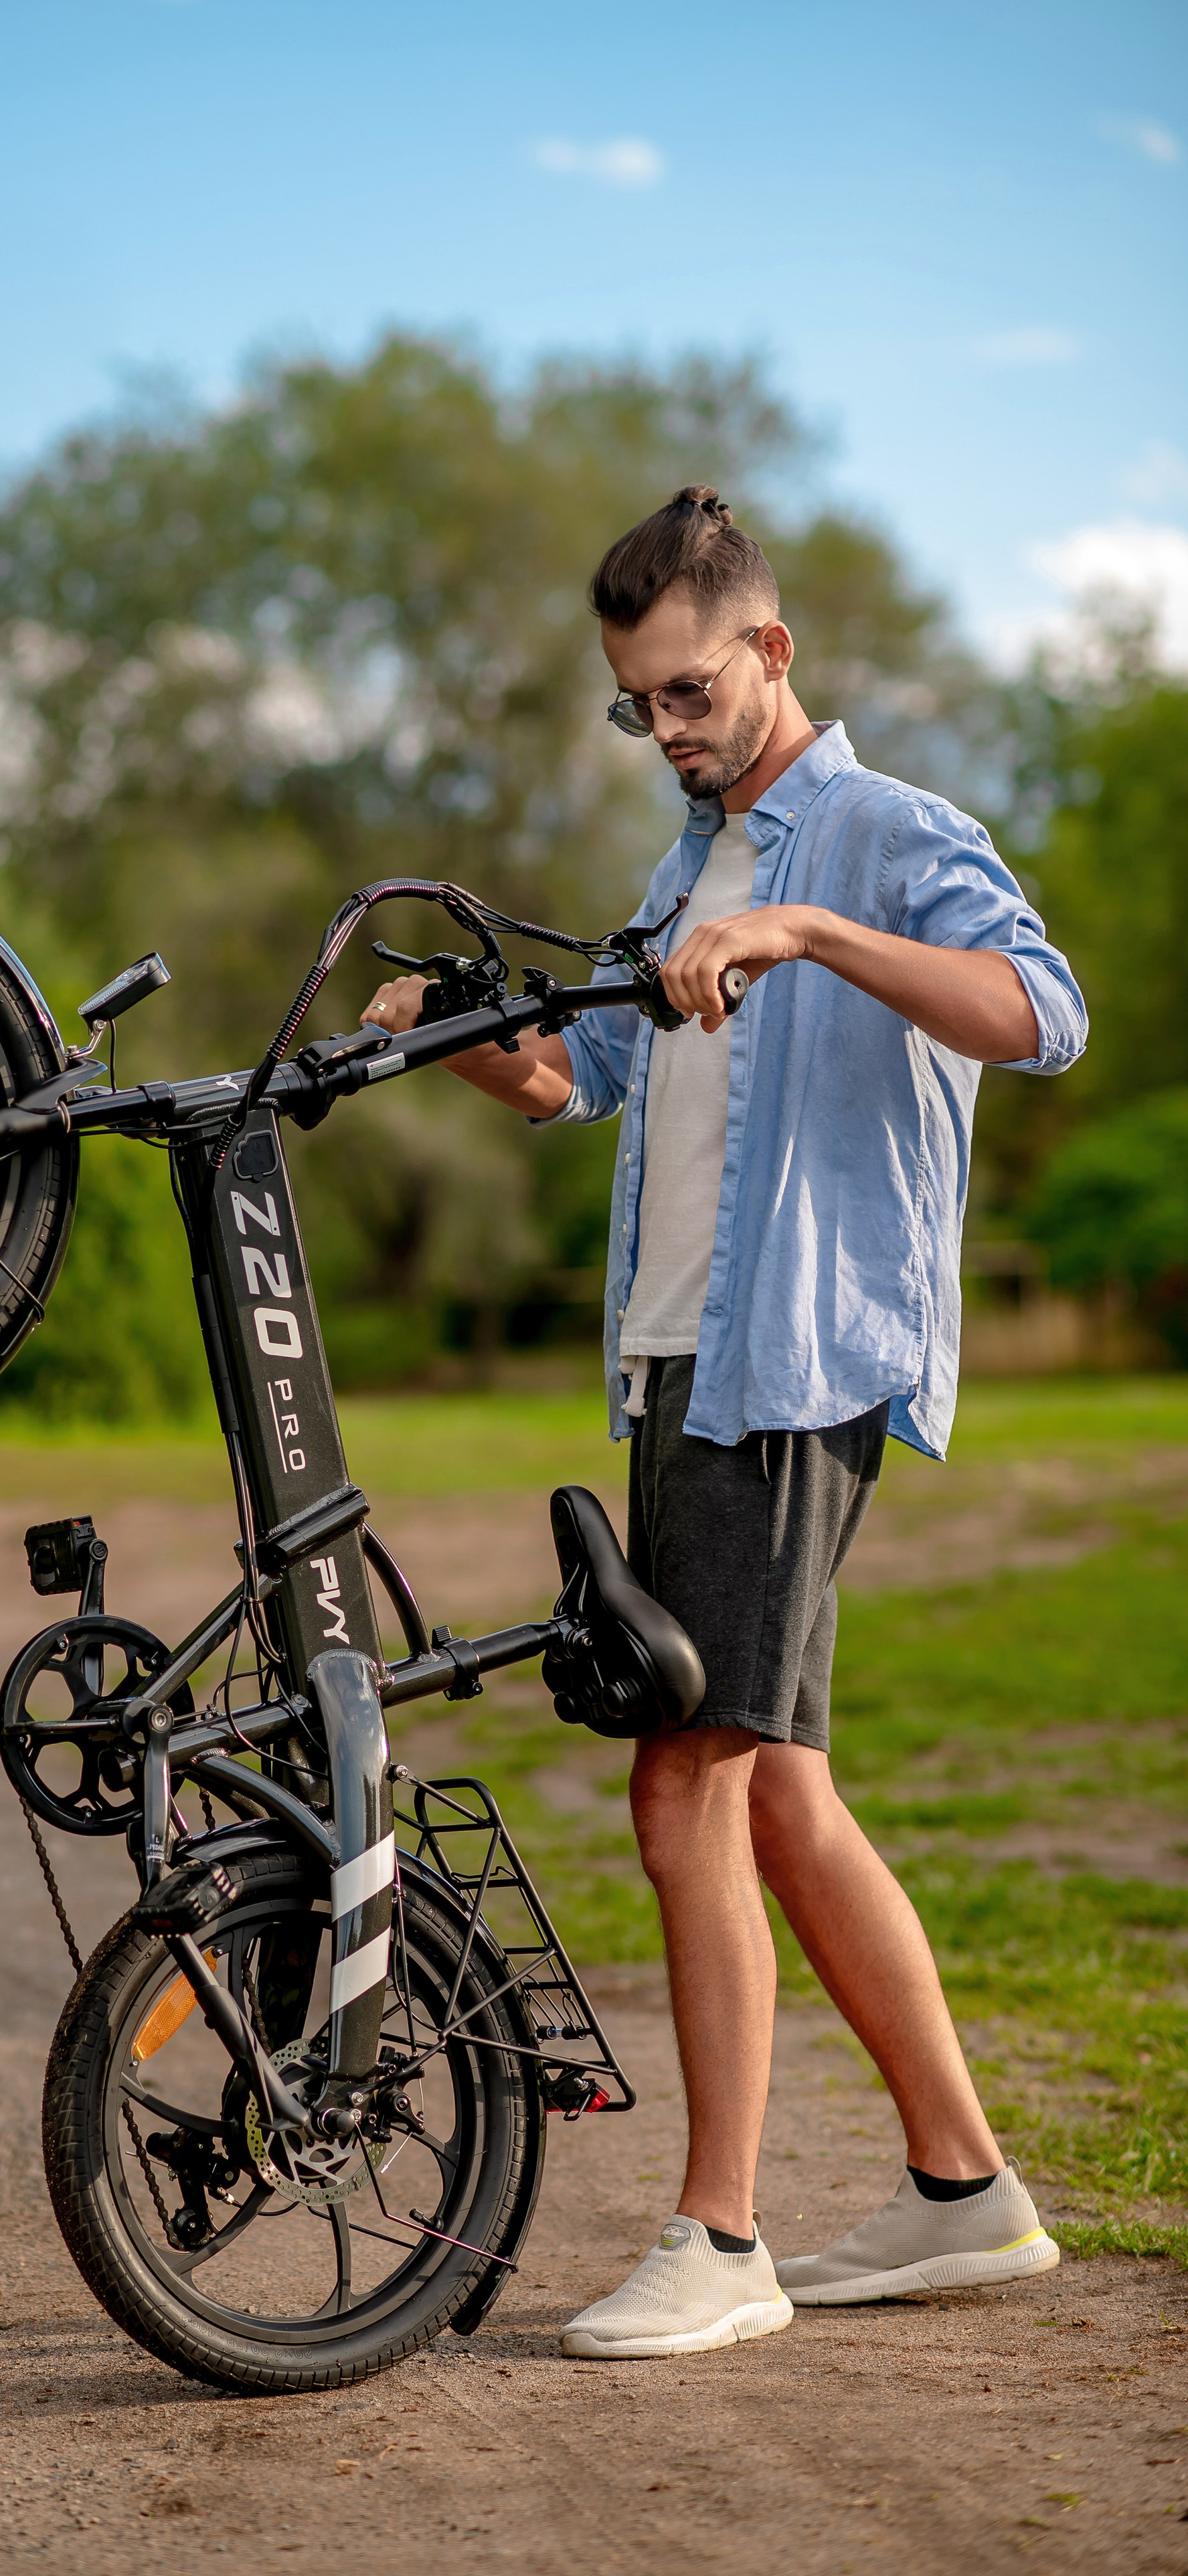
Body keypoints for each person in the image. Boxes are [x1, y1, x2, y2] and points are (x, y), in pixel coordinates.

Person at [361, 485, 1088, 2362]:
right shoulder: (685, 869)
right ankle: (963, 2190)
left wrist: (810, 933)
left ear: (767, 651)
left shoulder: (886, 836)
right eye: (639, 709)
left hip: (789, 1367)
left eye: (688, 694)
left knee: (686, 1777)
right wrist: (449, 1029)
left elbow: (1038, 1012)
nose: (670, 733)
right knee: (786, 1798)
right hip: (677, 1363)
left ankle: (723, 2235)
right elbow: (573, 1081)